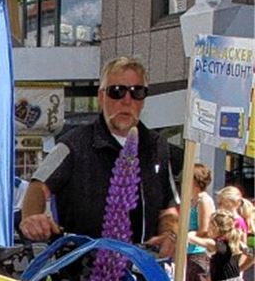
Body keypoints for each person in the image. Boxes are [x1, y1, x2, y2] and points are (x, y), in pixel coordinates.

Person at [20, 57, 178, 254]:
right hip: (84, 265)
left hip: (142, 264)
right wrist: (32, 218)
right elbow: (38, 185)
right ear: (101, 97)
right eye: (116, 91)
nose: (126, 100)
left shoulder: (157, 146)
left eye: (137, 92)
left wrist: (170, 234)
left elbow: (169, 207)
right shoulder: (73, 143)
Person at [191, 209, 253, 281]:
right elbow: (252, 255)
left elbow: (192, 239)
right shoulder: (237, 243)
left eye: (210, 225)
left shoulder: (214, 244)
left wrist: (193, 233)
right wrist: (241, 268)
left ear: (216, 227)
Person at [183, 164, 215, 281]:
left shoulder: (203, 200)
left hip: (197, 252)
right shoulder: (191, 199)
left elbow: (205, 229)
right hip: (186, 251)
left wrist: (188, 235)